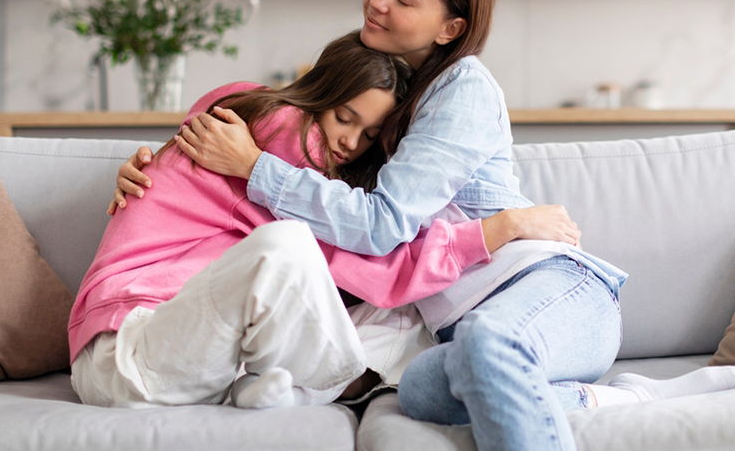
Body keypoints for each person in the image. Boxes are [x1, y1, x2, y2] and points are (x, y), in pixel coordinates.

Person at [112, 0, 735, 450]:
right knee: (416, 392)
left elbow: (380, 224)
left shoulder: (463, 89)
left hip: (550, 292)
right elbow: (292, 188)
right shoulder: (381, 99)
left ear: (450, 28)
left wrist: (254, 167)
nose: (378, 0)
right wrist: (159, 171)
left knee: (485, 345)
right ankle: (615, 400)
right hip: (459, 332)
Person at [72, 30, 580, 411]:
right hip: (130, 346)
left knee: (401, 317)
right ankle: (324, 382)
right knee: (291, 247)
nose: (349, 143)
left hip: (189, 354)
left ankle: (275, 386)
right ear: (321, 92)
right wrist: (501, 227)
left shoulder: (276, 145)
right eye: (344, 117)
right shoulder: (276, 134)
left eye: (368, 135)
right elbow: (377, 265)